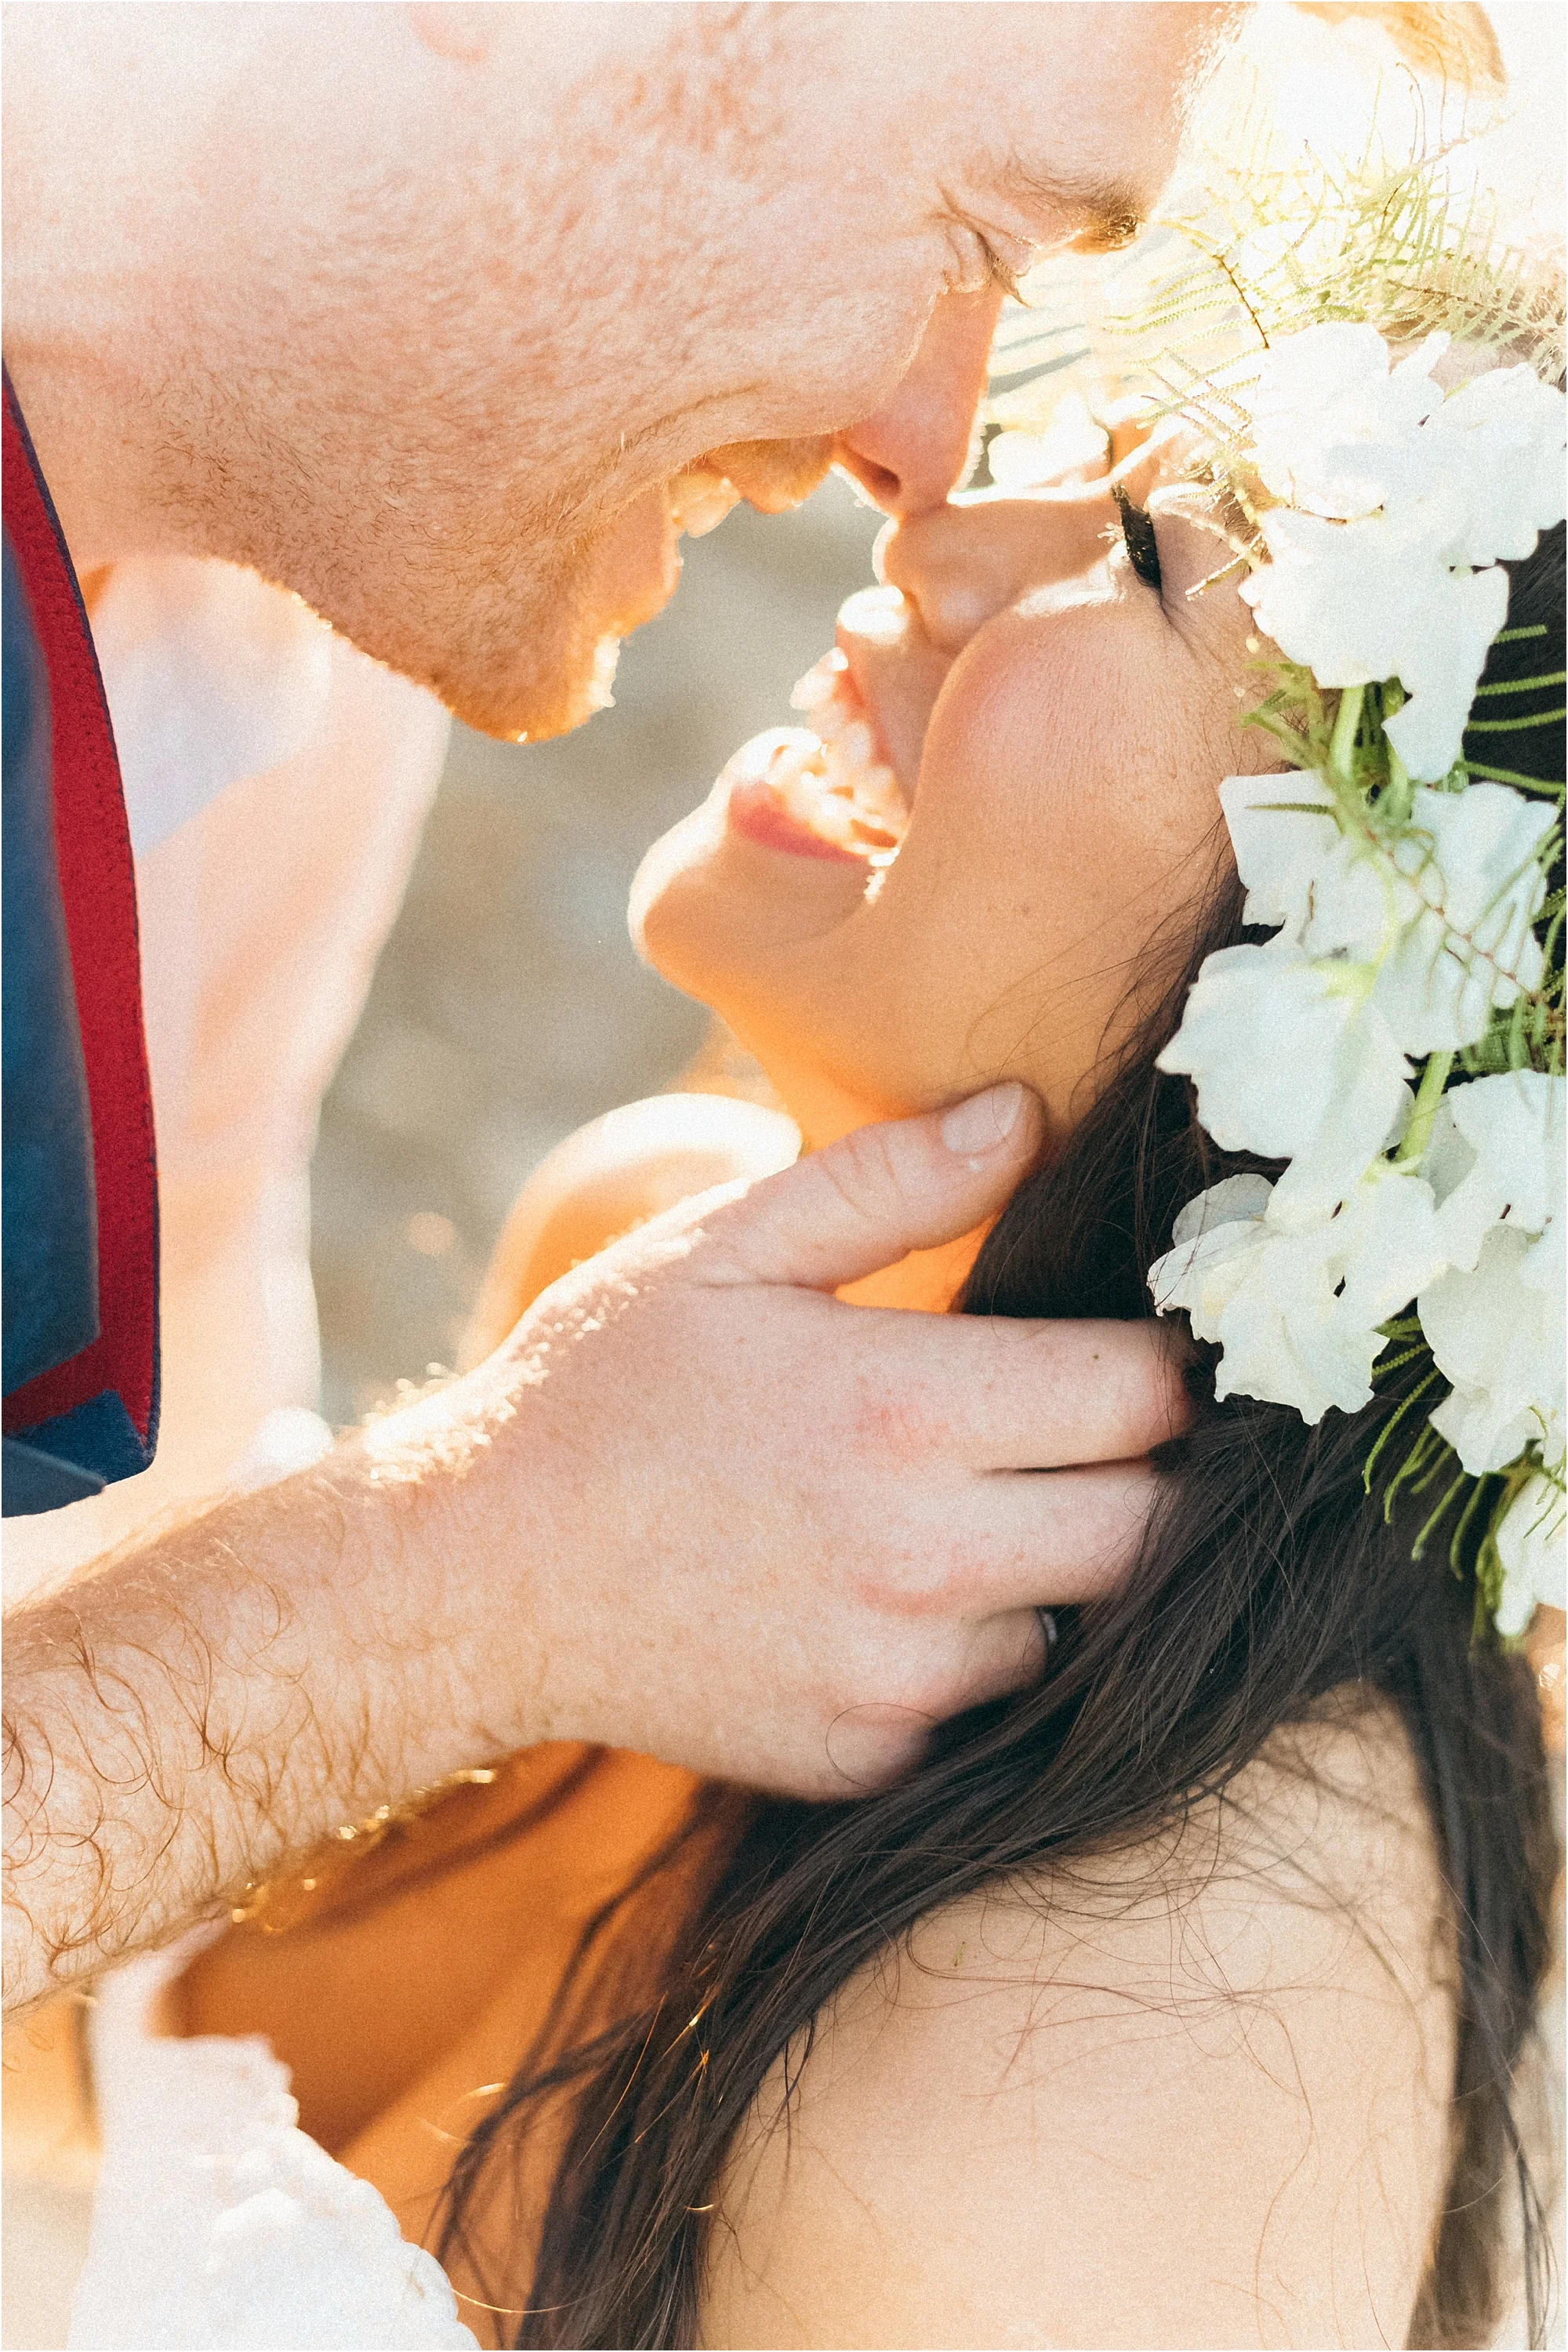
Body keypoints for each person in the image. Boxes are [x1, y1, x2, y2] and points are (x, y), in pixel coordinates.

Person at [60, 173, 1565, 2347]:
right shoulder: (659, 1303)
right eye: (1080, 462)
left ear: (1385, 1010)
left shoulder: (1110, 2077)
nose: (932, 534)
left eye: (1144, 557)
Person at [2, 1, 1255, 2018]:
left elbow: (96, 1935)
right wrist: (464, 1582)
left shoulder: (285, 701)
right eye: (970, 239)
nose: (922, 462)